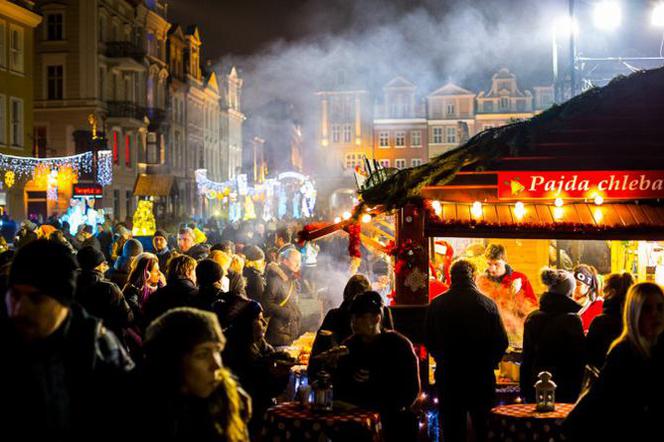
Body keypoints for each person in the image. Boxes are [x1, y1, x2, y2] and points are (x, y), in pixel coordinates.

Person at [0, 240, 134, 440]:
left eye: (36, 298)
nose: (20, 309)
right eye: (15, 295)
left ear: (63, 302)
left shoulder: (99, 346)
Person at [132, 307, 250, 441]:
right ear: (171, 363)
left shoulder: (228, 404)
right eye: (202, 354)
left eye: (217, 351)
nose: (217, 365)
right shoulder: (146, 417)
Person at [564, 283, 664, 441]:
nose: (655, 314)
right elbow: (600, 397)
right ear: (634, 314)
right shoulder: (624, 352)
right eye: (647, 309)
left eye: (660, 308)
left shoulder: (656, 349)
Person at [425, 259, 508, 442]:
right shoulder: (487, 304)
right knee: (483, 428)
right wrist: (489, 363)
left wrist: (441, 358)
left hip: (449, 376)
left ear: (451, 277)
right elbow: (502, 341)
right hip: (481, 377)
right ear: (474, 276)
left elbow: (428, 339)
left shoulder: (437, 304)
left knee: (452, 429)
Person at [332, 291, 420, 442]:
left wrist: (376, 381)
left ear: (376, 318)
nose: (353, 322)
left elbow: (410, 391)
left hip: (392, 424)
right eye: (352, 317)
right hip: (354, 426)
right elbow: (340, 386)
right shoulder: (349, 345)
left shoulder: (399, 345)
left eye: (359, 317)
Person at [221, 300, 293, 434]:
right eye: (260, 319)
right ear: (247, 323)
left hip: (259, 411)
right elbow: (254, 382)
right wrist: (270, 370)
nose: (265, 323)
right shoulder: (233, 346)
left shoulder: (259, 343)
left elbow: (270, 361)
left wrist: (282, 364)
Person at [520, 268, 585, 403]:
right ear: (569, 292)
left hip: (535, 382)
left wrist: (525, 389)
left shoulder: (533, 317)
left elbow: (526, 357)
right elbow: (578, 360)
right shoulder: (572, 320)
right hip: (565, 387)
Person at [476, 244, 537, 346]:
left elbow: (533, 308)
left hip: (515, 335)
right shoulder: (481, 281)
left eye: (496, 264)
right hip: (487, 335)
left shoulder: (519, 278)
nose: (492, 269)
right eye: (489, 264)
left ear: (505, 261)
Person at [76, 246, 134, 342]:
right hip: (107, 340)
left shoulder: (72, 284)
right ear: (97, 265)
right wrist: (132, 297)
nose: (105, 265)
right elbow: (127, 318)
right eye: (103, 262)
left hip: (79, 340)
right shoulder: (109, 288)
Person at [585, 272, 634, 369]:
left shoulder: (601, 322)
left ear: (612, 292)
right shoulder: (635, 319)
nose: (603, 296)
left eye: (605, 291)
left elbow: (590, 356)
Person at [142, 255, 198, 329]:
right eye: (194, 271)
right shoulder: (197, 295)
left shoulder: (155, 296)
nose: (196, 276)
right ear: (188, 272)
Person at [263, 247, 302, 346]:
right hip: (278, 334)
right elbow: (266, 305)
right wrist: (288, 313)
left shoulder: (292, 279)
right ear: (285, 261)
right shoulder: (276, 278)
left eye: (300, 261)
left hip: (288, 332)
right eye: (295, 261)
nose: (299, 264)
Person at [123, 252, 164, 324]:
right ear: (146, 274)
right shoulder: (132, 290)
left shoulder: (160, 288)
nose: (160, 274)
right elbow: (137, 316)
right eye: (156, 271)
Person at [573, 264, 603, 333]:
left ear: (588, 286)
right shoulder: (566, 303)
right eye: (573, 283)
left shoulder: (600, 305)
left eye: (578, 284)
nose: (574, 287)